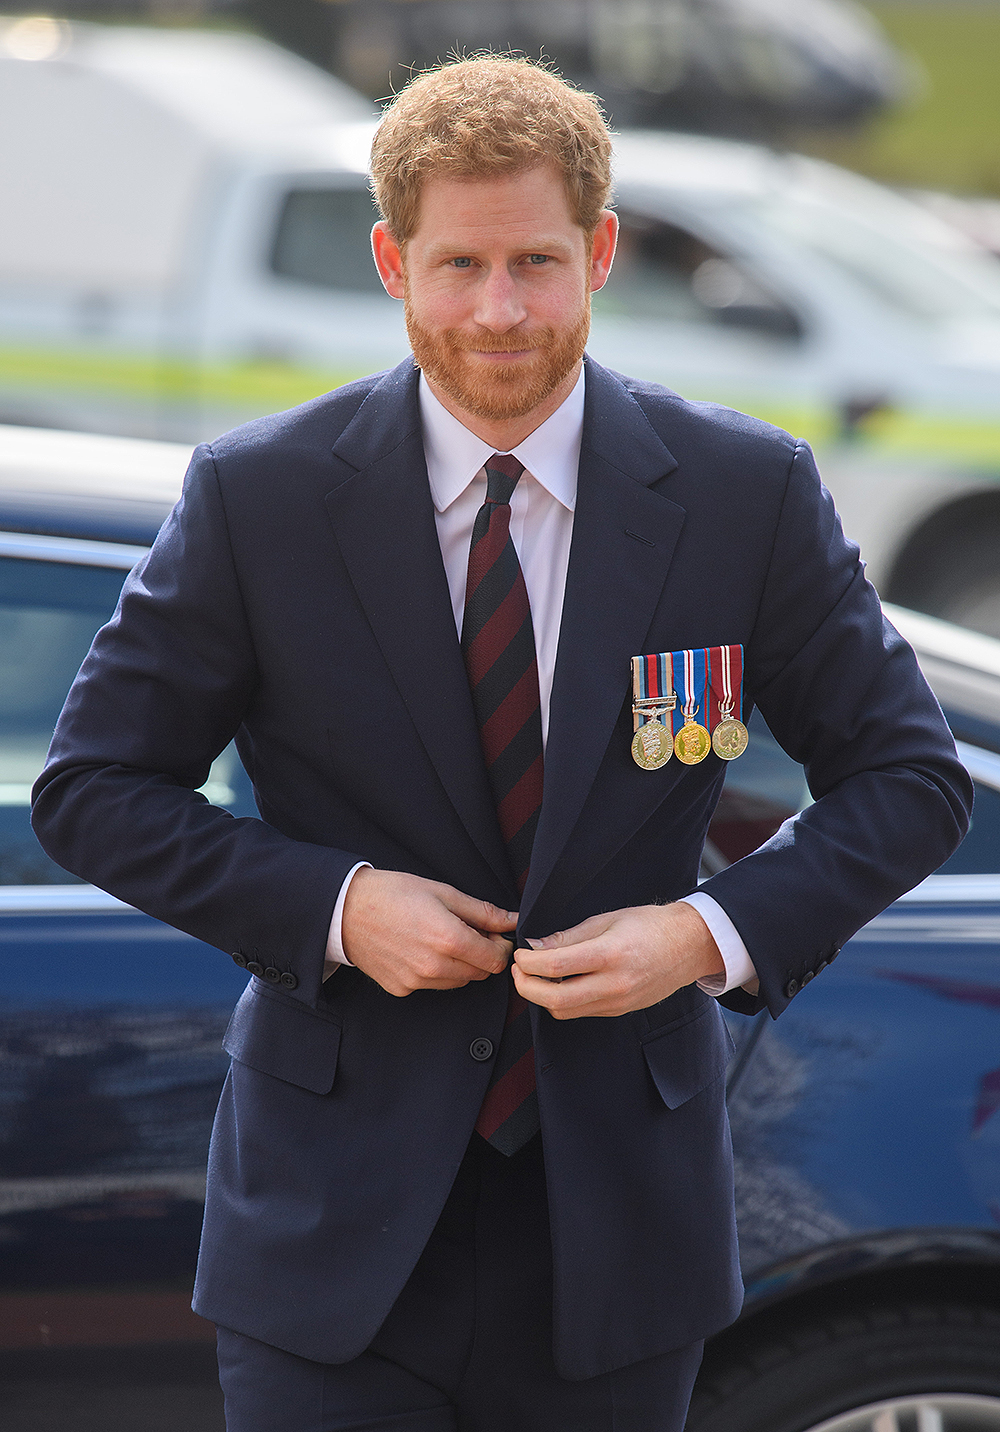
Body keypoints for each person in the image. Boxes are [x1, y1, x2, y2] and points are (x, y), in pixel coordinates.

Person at [31, 55, 972, 1432]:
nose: (498, 312)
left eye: (536, 261)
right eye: (458, 265)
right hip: (330, 1232)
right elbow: (92, 788)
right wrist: (340, 908)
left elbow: (912, 780)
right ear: (389, 262)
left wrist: (700, 938)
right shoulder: (261, 498)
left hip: (621, 1228)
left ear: (598, 252)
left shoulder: (741, 493)